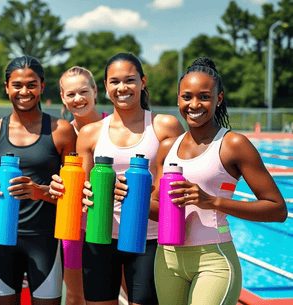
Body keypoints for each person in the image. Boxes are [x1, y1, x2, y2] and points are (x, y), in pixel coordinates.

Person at [114, 57, 287, 305]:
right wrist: (130, 196)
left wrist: (212, 201)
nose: (195, 104)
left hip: (213, 260)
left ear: (218, 98)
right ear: (178, 98)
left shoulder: (233, 145)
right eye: (187, 97)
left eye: (204, 97)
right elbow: (159, 211)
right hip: (168, 260)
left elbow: (277, 209)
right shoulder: (167, 147)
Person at [0, 55, 76, 305]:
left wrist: (40, 191)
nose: (25, 91)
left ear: (42, 86)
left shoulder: (61, 130)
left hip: (44, 239)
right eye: (17, 85)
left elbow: (72, 196)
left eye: (32, 85)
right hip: (0, 241)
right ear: (6, 87)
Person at [76, 53, 185, 305]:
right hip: (100, 236)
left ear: (143, 82)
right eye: (114, 81)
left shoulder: (164, 126)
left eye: (130, 80)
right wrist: (83, 192)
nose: (122, 88)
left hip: (149, 238)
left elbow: (176, 183)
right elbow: (83, 185)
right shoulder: (90, 133)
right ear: (105, 86)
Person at [49, 66, 108, 305]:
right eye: (70, 94)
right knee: (75, 295)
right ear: (62, 97)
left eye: (84, 91)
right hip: (73, 228)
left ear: (95, 91)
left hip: (109, 224)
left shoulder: (114, 128)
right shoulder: (62, 132)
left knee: (119, 292)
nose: (78, 99)